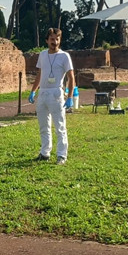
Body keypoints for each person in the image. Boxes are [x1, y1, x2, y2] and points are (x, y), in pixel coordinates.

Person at [28, 28, 75, 165]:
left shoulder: (64, 56)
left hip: (56, 93)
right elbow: (40, 73)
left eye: (57, 39)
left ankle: (61, 155)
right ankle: (45, 152)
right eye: (52, 39)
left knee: (60, 126)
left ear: (60, 40)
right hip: (43, 92)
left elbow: (71, 77)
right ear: (47, 40)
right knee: (43, 126)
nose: (54, 42)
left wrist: (70, 96)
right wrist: (33, 90)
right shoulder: (42, 55)